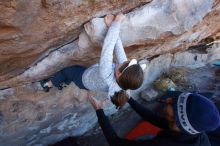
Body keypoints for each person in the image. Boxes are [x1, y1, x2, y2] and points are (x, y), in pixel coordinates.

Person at [40, 13, 146, 107]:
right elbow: (118, 49)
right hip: (89, 79)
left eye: (125, 63)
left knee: (68, 71)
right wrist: (112, 26)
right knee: (73, 73)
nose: (125, 61)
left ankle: (48, 84)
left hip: (84, 79)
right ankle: (64, 83)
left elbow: (108, 47)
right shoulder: (125, 81)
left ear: (118, 74)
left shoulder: (107, 74)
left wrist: (117, 22)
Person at [88, 91, 220, 146]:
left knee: (143, 140)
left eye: (171, 103)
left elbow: (116, 142)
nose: (168, 99)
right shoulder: (194, 130)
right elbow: (153, 118)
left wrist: (99, 110)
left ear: (177, 122)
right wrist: (129, 99)